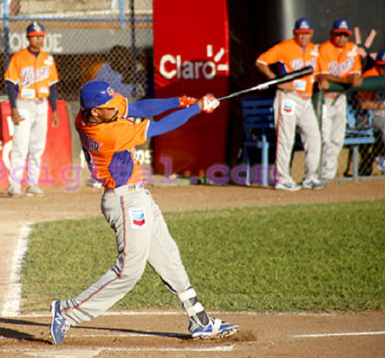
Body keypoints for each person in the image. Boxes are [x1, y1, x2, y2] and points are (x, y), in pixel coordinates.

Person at [49, 81, 238, 344]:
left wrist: (178, 102)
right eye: (107, 108)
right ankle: (67, 311)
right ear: (94, 112)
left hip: (138, 196)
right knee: (128, 271)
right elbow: (159, 126)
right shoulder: (109, 133)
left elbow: (137, 106)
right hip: (125, 200)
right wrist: (197, 108)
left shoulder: (90, 114)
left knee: (169, 258)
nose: (115, 109)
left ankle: (199, 319)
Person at [255, 18, 324, 191]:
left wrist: (321, 80)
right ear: (295, 33)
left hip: (306, 99)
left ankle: (310, 177)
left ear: (312, 33)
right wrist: (276, 80)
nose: (304, 37)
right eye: (301, 33)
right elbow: (261, 62)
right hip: (288, 97)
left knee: (314, 137)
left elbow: (320, 71)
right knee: (286, 138)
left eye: (307, 33)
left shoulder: (315, 50)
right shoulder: (284, 47)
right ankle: (282, 178)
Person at [4, 22, 59, 197]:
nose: (38, 39)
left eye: (41, 36)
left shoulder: (48, 59)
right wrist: (13, 108)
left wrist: (55, 109)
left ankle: (32, 183)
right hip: (24, 104)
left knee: (38, 146)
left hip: (42, 104)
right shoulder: (18, 57)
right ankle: (14, 185)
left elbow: (53, 86)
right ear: (28, 37)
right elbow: (10, 84)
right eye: (35, 36)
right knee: (20, 145)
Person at [316, 19, 363, 182]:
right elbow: (322, 75)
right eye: (338, 34)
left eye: (345, 35)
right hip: (324, 100)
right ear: (332, 34)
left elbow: (356, 76)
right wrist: (345, 80)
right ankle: (319, 174)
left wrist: (353, 78)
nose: (342, 38)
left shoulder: (352, 49)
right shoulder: (324, 48)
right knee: (324, 138)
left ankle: (328, 175)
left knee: (337, 139)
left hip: (340, 99)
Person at [359, 49, 385, 172]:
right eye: (382, 66)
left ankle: (381, 158)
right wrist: (381, 106)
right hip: (372, 116)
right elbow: (363, 104)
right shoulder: (369, 76)